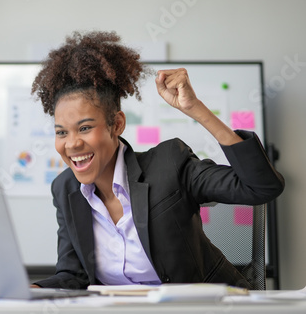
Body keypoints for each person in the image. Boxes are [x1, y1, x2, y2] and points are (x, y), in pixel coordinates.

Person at [29, 31, 284, 290]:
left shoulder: (168, 165)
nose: (71, 143)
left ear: (116, 124)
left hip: (203, 308)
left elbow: (261, 187)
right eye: (61, 132)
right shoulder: (66, 189)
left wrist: (196, 110)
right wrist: (30, 289)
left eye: (84, 128)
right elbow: (73, 276)